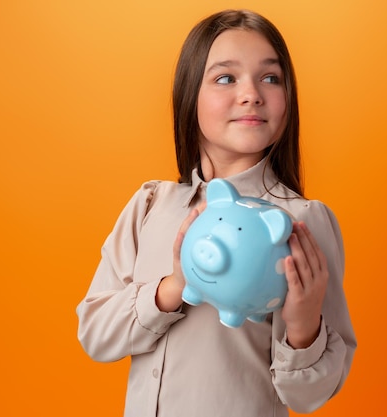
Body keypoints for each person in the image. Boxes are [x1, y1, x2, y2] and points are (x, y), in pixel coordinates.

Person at [76, 9, 356, 417]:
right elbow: (95, 335)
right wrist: (173, 287)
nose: (252, 94)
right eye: (226, 78)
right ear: (190, 96)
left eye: (270, 78)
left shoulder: (301, 222)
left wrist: (303, 326)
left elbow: (309, 397)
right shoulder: (150, 204)